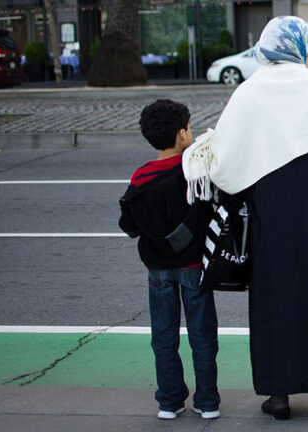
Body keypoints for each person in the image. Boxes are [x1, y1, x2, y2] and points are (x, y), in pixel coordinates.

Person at [182, 16, 308, 420]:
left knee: (277, 307)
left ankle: (279, 396)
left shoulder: (249, 93)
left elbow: (226, 166)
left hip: (271, 222)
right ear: (300, 49)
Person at [119, 99, 220, 420]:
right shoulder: (194, 173)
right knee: (203, 336)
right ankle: (207, 402)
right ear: (182, 134)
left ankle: (169, 401)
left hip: (157, 269)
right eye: (189, 127)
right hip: (194, 267)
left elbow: (129, 225)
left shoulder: (140, 177)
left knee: (163, 336)